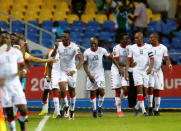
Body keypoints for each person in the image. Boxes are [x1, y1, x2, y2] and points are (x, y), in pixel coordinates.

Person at [83, 37, 123, 118]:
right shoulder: (87, 52)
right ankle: (94, 110)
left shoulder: (102, 50)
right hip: (91, 75)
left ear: (97, 43)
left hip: (100, 74)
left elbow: (111, 58)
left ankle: (99, 107)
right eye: (91, 43)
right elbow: (84, 64)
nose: (93, 45)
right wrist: (89, 75)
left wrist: (118, 67)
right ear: (90, 44)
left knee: (101, 90)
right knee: (92, 92)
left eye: (94, 43)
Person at [51, 30, 84, 120]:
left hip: (71, 71)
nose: (63, 38)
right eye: (62, 37)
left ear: (69, 38)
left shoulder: (74, 46)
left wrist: (75, 70)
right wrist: (55, 48)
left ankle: (72, 110)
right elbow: (52, 56)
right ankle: (66, 106)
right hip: (62, 71)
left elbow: (81, 60)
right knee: (62, 88)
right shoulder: (59, 45)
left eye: (65, 37)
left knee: (72, 91)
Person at [0, 31, 28, 131]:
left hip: (15, 83)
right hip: (3, 86)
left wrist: (24, 71)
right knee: (9, 111)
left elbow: (23, 65)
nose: (5, 39)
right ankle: (13, 129)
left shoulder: (16, 52)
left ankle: (22, 120)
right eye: (2, 38)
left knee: (23, 109)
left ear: (10, 40)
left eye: (7, 38)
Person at [125, 32, 154, 116]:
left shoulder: (148, 47)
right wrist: (126, 72)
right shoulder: (132, 48)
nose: (135, 39)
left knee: (145, 93)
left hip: (145, 71)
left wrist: (150, 68)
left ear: (142, 38)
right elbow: (128, 60)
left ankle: (137, 107)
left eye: (137, 38)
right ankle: (144, 111)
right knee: (139, 88)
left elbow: (152, 59)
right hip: (136, 71)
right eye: (135, 38)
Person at [148, 33, 173, 116]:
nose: (150, 40)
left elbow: (167, 58)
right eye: (149, 38)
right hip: (149, 71)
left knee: (158, 90)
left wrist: (169, 65)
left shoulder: (163, 48)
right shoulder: (148, 47)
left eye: (151, 38)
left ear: (156, 38)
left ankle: (156, 110)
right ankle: (150, 107)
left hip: (158, 72)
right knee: (150, 88)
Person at [111, 33, 136, 116]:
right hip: (116, 70)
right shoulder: (116, 48)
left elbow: (131, 59)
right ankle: (119, 111)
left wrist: (131, 63)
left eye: (127, 39)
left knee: (126, 90)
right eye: (125, 39)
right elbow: (116, 61)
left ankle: (118, 102)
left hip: (125, 70)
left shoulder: (130, 48)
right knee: (118, 89)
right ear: (121, 40)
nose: (126, 40)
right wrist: (120, 69)